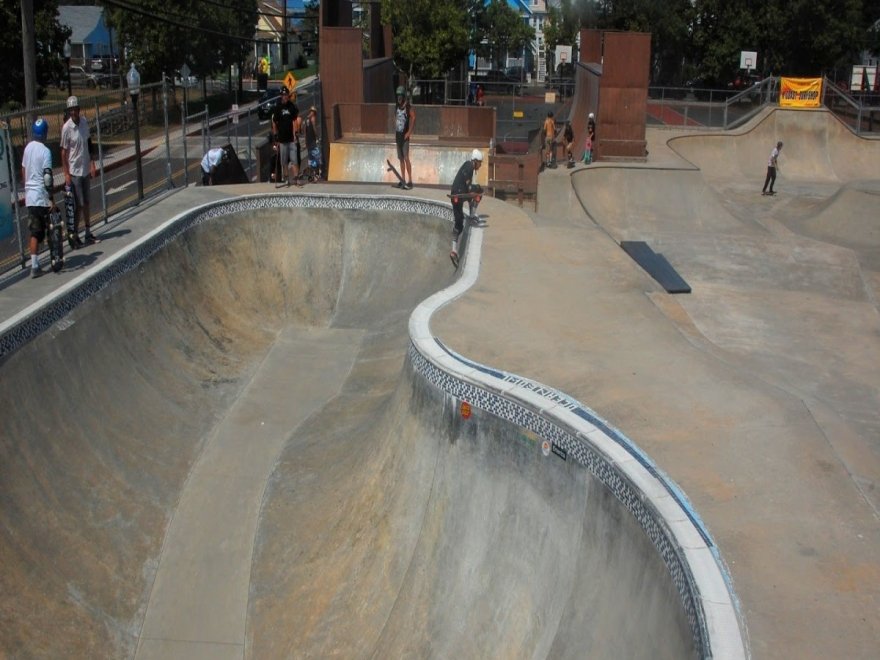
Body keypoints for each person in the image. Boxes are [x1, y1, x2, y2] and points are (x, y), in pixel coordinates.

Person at [60, 95, 99, 247]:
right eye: (70, 111)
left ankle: (88, 233)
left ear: (78, 109)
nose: (73, 113)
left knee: (87, 202)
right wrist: (66, 173)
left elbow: (89, 143)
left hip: (84, 169)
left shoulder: (83, 122)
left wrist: (92, 163)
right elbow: (63, 152)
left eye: (75, 110)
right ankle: (74, 234)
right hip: (74, 170)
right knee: (79, 205)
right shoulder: (66, 128)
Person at [21, 118, 56, 278]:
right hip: (41, 196)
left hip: (30, 196)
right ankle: (47, 260)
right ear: (45, 133)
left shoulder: (28, 148)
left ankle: (35, 265)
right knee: (44, 229)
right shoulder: (45, 151)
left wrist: (27, 186)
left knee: (35, 231)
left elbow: (23, 169)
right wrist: (51, 197)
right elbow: (47, 176)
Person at [449, 149, 484, 266]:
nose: (480, 165)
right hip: (460, 192)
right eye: (480, 163)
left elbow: (467, 189)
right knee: (479, 190)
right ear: (476, 161)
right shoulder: (469, 166)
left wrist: (470, 196)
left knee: (459, 223)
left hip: (454, 194)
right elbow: (468, 187)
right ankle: (472, 215)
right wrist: (472, 193)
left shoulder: (467, 165)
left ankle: (454, 251)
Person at [271, 86, 299, 185]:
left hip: (291, 139)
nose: (285, 97)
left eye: (286, 95)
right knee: (284, 161)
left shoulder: (291, 106)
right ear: (281, 96)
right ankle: (286, 178)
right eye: (283, 95)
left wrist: (295, 133)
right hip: (282, 139)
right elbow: (274, 122)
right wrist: (276, 135)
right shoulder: (278, 108)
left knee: (294, 159)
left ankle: (296, 178)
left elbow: (294, 120)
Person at [394, 86, 415, 189]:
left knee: (406, 158)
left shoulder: (407, 107)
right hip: (398, 135)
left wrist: (409, 132)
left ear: (403, 96)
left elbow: (414, 117)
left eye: (400, 96)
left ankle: (410, 180)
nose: (399, 98)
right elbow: (396, 117)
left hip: (405, 136)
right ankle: (403, 180)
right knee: (401, 158)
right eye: (397, 96)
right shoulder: (397, 106)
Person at [304, 106, 322, 181]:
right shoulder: (313, 118)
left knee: (310, 157)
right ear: (314, 112)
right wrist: (317, 137)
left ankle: (311, 174)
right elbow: (314, 128)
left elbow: (304, 132)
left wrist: (305, 141)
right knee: (316, 156)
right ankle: (316, 173)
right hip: (313, 141)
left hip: (308, 141)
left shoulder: (305, 120)